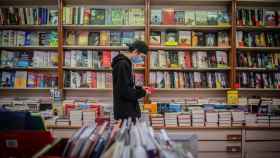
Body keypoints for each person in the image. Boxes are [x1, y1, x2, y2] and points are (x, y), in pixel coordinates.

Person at [111, 40, 150, 120]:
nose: (142, 60)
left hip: (126, 111)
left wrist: (139, 89)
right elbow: (125, 91)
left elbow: (125, 85)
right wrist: (143, 92)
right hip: (125, 112)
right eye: (142, 57)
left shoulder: (125, 63)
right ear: (136, 51)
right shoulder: (123, 64)